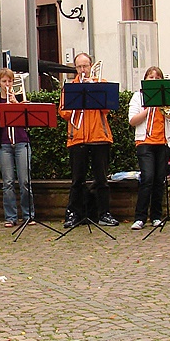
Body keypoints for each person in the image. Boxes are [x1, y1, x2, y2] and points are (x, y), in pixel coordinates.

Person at [59, 52, 117, 228]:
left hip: (99, 137)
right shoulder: (70, 88)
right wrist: (77, 100)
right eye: (79, 67)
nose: (82, 70)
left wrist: (94, 88)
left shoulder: (101, 84)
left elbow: (107, 109)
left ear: (91, 66)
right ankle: (74, 214)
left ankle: (104, 214)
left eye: (85, 66)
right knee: (77, 180)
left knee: (101, 179)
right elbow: (64, 113)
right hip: (77, 138)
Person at [127, 66, 170, 229]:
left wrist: (166, 108)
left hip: (163, 142)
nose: (154, 80)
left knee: (159, 180)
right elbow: (132, 121)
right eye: (151, 77)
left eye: (157, 78)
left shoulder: (164, 96)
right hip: (145, 142)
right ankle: (140, 217)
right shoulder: (138, 97)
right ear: (145, 80)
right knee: (147, 178)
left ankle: (156, 216)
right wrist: (148, 108)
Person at [0, 69, 33, 228]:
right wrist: (4, 109)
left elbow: (29, 119)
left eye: (10, 81)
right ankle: (10, 217)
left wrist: (16, 104)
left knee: (25, 181)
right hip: (4, 143)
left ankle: (28, 215)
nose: (7, 84)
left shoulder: (20, 98)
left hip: (21, 141)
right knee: (8, 182)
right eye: (4, 81)